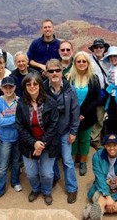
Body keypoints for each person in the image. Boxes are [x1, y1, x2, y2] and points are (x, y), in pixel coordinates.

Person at [15, 74, 61, 205]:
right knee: (31, 174)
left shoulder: (51, 102)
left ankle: (46, 191)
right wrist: (34, 143)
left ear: (40, 85)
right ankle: (35, 189)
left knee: (47, 174)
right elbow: (19, 125)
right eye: (29, 84)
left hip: (48, 143)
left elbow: (54, 125)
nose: (32, 86)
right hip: (28, 144)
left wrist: (41, 144)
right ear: (25, 87)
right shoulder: (21, 103)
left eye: (35, 84)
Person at [42, 59, 81, 204]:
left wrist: (73, 132)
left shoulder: (70, 90)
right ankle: (55, 177)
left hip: (65, 131)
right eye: (51, 71)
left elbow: (75, 112)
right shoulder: (42, 89)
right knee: (51, 159)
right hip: (49, 133)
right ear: (46, 73)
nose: (54, 73)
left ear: (61, 71)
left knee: (67, 160)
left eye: (57, 70)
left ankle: (72, 188)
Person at [0, 76, 23, 203]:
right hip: (5, 139)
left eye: (11, 87)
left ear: (15, 87)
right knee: (3, 166)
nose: (8, 89)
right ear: (1, 88)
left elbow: (22, 120)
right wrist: (15, 118)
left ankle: (15, 182)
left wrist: (7, 119)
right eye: (5, 87)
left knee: (16, 162)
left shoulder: (20, 101)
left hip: (18, 138)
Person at [70, 51, 104, 176]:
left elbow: (96, 98)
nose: (81, 63)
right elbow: (66, 97)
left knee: (84, 139)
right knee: (73, 139)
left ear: (88, 63)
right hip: (72, 115)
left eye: (84, 61)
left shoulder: (94, 78)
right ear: (75, 63)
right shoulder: (69, 77)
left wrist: (83, 112)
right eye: (78, 61)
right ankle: (72, 161)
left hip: (88, 115)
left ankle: (83, 162)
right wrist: (74, 113)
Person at [86, 134, 117, 218]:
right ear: (105, 146)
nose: (112, 148)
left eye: (115, 145)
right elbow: (99, 178)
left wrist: (112, 199)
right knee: (102, 199)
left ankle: (96, 211)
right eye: (109, 145)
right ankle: (97, 215)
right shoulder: (97, 156)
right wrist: (108, 196)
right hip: (104, 185)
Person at [88, 39, 111, 148]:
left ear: (104, 49)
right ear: (93, 49)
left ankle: (95, 139)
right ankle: (88, 138)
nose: (98, 49)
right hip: (90, 92)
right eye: (96, 47)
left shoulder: (108, 61)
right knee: (90, 115)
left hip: (104, 92)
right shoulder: (88, 59)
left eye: (101, 47)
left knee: (100, 116)